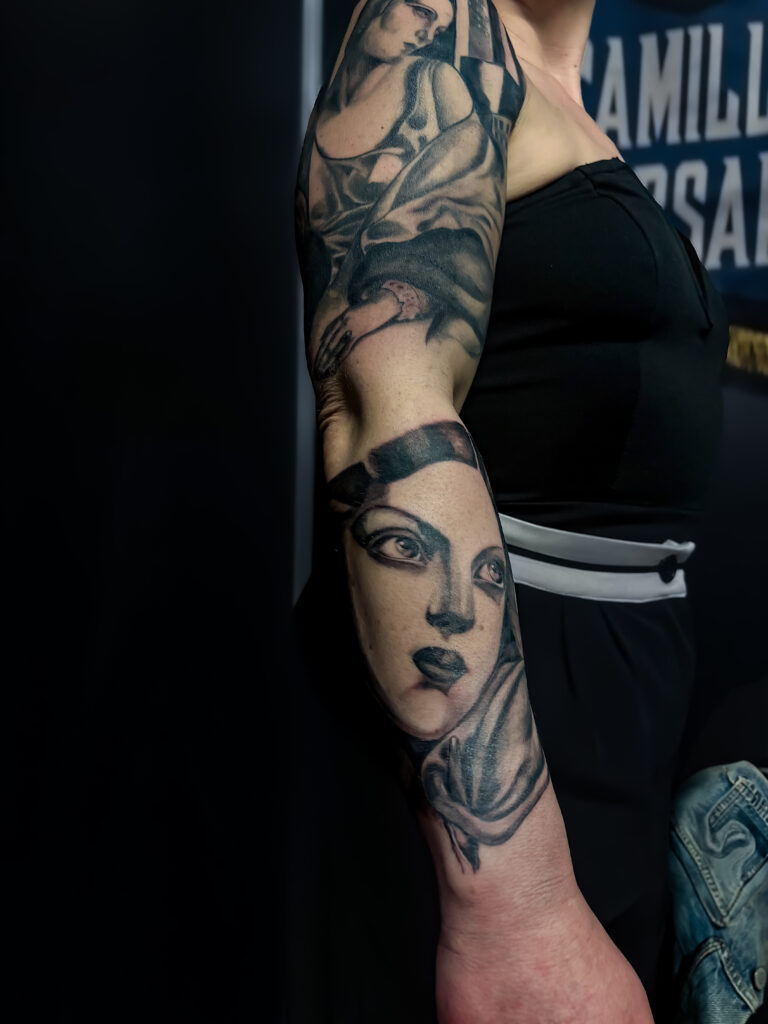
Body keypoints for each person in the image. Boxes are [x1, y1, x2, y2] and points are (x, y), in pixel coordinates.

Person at [294, 1, 729, 1021]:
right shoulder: (435, 30)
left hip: (611, 717)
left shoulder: (554, 82)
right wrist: (515, 909)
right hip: (492, 744)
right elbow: (385, 412)